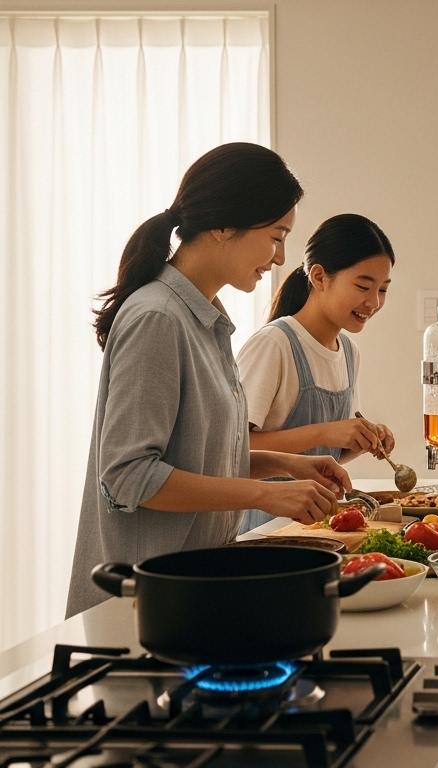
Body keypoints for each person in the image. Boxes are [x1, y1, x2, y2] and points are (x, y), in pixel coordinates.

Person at [66, 142, 350, 617]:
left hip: (189, 592)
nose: (280, 257)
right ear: (223, 226)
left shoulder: (204, 319)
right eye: (277, 235)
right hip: (139, 606)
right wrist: (265, 493)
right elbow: (128, 476)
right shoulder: (158, 318)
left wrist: (287, 464)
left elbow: (197, 456)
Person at [236, 213, 396, 533]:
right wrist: (327, 431)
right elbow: (236, 448)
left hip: (315, 529)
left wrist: (360, 441)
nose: (373, 302)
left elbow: (322, 457)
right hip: (264, 530)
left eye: (383, 290)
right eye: (363, 285)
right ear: (320, 277)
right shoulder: (274, 344)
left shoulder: (348, 353)